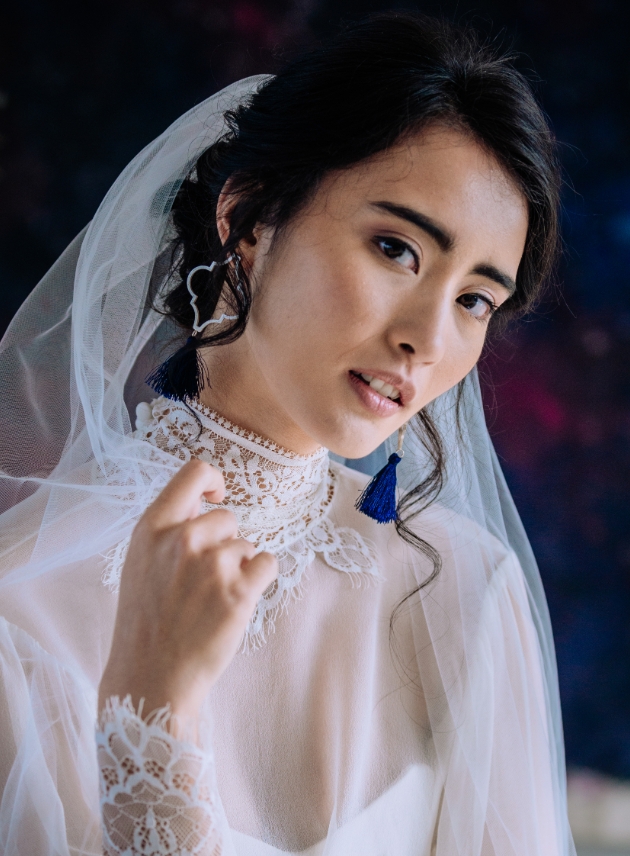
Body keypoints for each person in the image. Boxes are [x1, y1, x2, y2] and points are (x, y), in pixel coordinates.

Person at [0, 12, 575, 856]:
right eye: (396, 248)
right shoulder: (20, 610)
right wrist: (150, 719)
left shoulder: (464, 595)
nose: (428, 337)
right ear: (249, 222)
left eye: (474, 300)